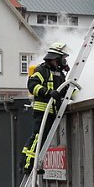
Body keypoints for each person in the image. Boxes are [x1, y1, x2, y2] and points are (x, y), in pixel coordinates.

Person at [19, 42, 73, 174]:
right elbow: (32, 86)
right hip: (42, 110)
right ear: (56, 58)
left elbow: (66, 90)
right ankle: (28, 164)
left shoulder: (59, 74)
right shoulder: (42, 70)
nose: (64, 61)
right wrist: (48, 92)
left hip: (52, 111)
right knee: (38, 138)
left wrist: (81, 95)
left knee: (43, 140)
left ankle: (33, 164)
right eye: (63, 58)